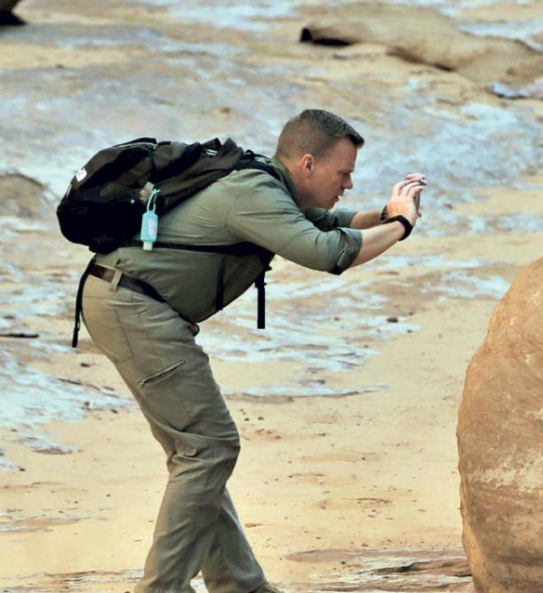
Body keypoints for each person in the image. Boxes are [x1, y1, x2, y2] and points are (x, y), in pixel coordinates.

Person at [79, 109, 426, 593]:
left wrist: (386, 216)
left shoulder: (269, 187)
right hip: (133, 307)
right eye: (343, 173)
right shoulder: (253, 191)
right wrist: (402, 227)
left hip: (132, 303)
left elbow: (329, 223)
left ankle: (240, 585)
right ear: (308, 164)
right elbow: (327, 252)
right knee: (209, 448)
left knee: (199, 453)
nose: (349, 184)